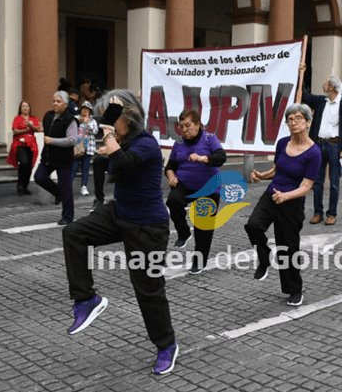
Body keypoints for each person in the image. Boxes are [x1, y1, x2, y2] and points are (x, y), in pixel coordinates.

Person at [61, 90, 179, 376]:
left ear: (130, 118)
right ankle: (86, 299)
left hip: (147, 227)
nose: (109, 122)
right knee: (74, 233)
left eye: (114, 118)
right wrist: (108, 142)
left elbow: (123, 163)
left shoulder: (147, 144)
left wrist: (108, 133)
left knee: (148, 290)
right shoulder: (122, 142)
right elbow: (114, 165)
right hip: (119, 214)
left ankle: (167, 345)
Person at [244, 103, 321, 307]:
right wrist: (262, 175)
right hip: (272, 195)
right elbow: (277, 169)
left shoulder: (314, 152)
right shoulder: (282, 143)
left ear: (307, 122)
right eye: (290, 119)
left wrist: (286, 197)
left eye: (298, 118)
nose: (294, 122)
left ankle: (294, 290)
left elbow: (306, 186)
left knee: (287, 248)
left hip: (291, 203)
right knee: (252, 225)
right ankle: (264, 256)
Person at [164, 109, 227, 274]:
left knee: (203, 226)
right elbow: (170, 166)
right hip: (185, 184)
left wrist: (202, 158)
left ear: (198, 124)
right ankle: (183, 233)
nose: (184, 130)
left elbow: (221, 157)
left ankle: (200, 261)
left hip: (208, 187)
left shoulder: (209, 139)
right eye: (181, 126)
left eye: (188, 125)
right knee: (173, 200)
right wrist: (171, 176)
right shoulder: (178, 144)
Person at [302, 75, 342, 226]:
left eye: (325, 83)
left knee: (334, 182)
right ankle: (318, 213)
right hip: (318, 145)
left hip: (334, 146)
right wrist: (302, 74)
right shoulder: (321, 101)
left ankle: (332, 214)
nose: (323, 85)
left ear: (331, 87)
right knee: (317, 181)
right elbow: (305, 96)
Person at [35, 91, 79, 225]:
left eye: (58, 101)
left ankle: (68, 216)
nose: (55, 103)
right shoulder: (48, 115)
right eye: (54, 101)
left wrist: (52, 140)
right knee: (39, 177)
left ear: (65, 104)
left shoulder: (70, 119)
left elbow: (72, 140)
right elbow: (44, 130)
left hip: (64, 159)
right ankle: (58, 193)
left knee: (66, 187)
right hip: (48, 156)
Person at [7, 101, 42, 196]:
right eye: (23, 106)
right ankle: (20, 185)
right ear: (20, 108)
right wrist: (25, 130)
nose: (25, 108)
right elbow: (14, 131)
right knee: (24, 163)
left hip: (31, 144)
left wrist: (30, 125)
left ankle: (25, 186)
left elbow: (38, 129)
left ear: (30, 108)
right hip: (20, 143)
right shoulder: (17, 118)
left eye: (27, 106)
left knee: (29, 166)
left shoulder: (33, 118)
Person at [72, 101, 98, 197]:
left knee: (85, 168)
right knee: (74, 167)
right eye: (83, 108)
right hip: (78, 147)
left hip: (89, 147)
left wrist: (87, 124)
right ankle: (68, 186)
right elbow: (72, 129)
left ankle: (84, 187)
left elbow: (95, 131)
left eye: (87, 109)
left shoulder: (93, 121)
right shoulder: (76, 118)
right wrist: (81, 122)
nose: (85, 111)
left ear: (90, 111)